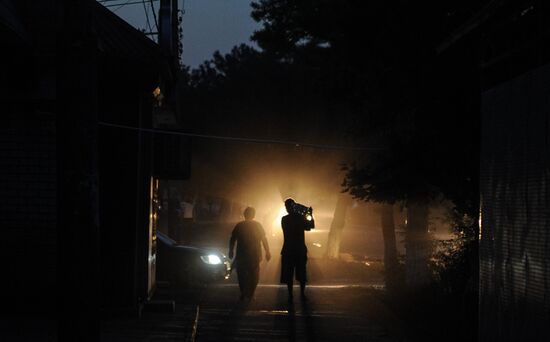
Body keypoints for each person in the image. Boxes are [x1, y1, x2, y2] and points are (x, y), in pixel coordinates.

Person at [228, 207, 271, 301]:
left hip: (241, 254)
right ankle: (251, 293)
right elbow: (264, 239)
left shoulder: (239, 225)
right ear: (253, 215)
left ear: (244, 214)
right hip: (255, 254)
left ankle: (243, 292)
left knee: (241, 274)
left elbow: (232, 239)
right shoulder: (258, 225)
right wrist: (267, 251)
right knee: (254, 274)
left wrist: (230, 251)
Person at [280, 198, 314, 302]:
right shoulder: (299, 218)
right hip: (299, 249)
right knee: (301, 273)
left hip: (288, 249)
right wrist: (309, 215)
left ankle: (290, 295)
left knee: (289, 274)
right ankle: (302, 294)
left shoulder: (284, 219)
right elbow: (310, 227)